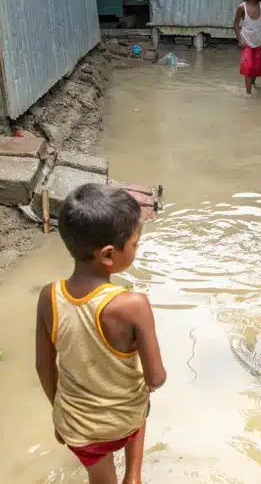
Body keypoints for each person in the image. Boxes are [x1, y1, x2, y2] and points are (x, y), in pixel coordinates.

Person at [35, 183, 167, 484]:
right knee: (141, 399)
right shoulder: (133, 306)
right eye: (135, 244)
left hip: (78, 429)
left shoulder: (48, 297)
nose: (137, 249)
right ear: (108, 255)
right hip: (124, 421)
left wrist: (61, 414)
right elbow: (155, 378)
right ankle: (133, 475)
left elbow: (44, 366)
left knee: (100, 478)